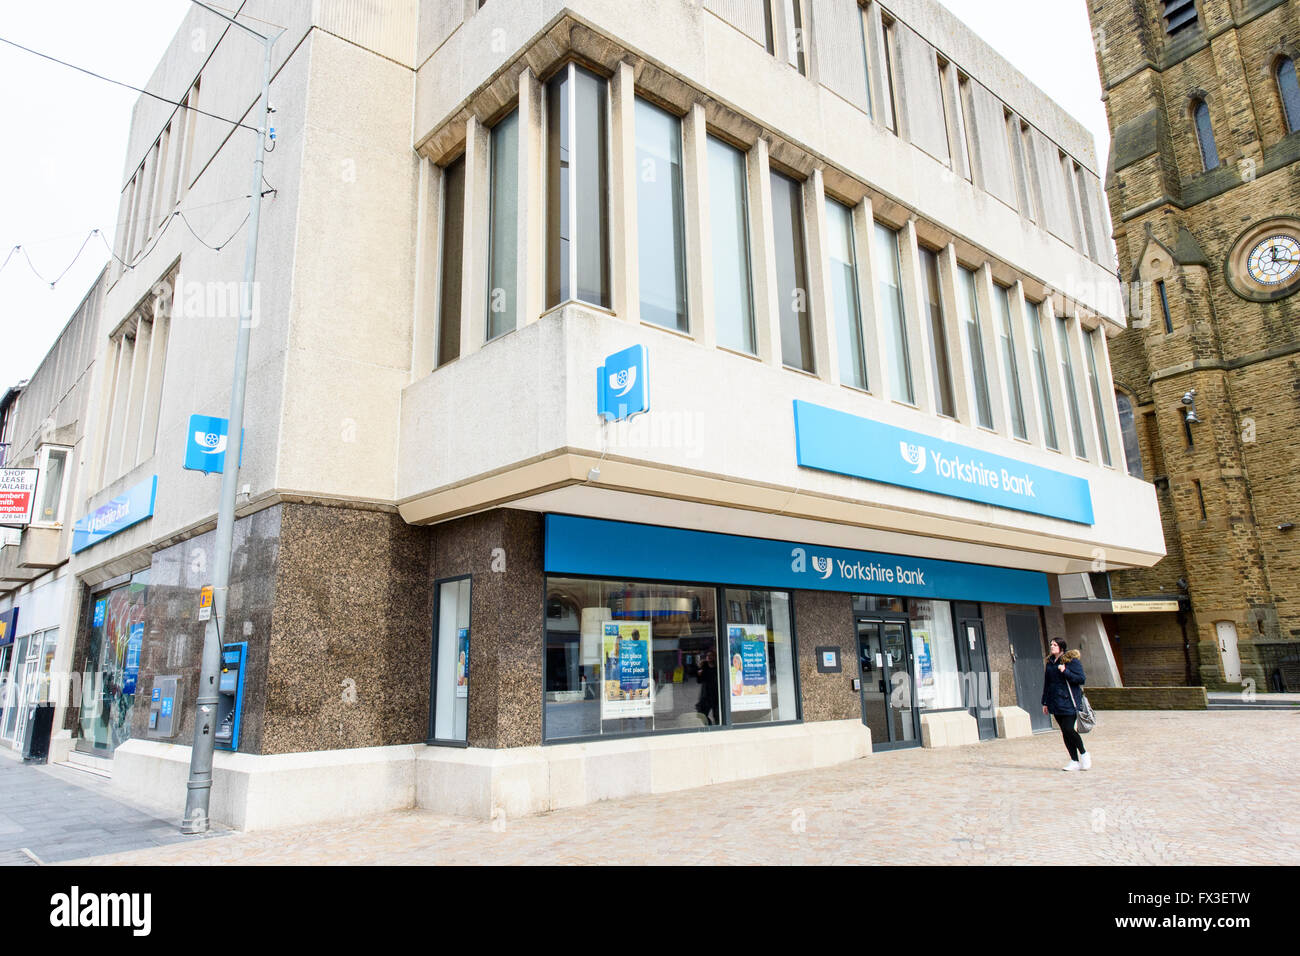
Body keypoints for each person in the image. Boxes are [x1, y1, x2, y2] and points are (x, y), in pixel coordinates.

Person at [1041, 638, 1090, 771]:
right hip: (1055, 701)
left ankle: (1084, 753)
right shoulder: (1050, 662)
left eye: (1055, 645)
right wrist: (1044, 702)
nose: (1052, 646)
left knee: (1069, 729)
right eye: (1051, 644)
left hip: (1069, 701)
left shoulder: (1071, 661)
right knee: (1064, 731)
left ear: (1061, 647)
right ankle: (1074, 761)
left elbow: (1081, 679)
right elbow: (1047, 683)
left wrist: (1065, 671)